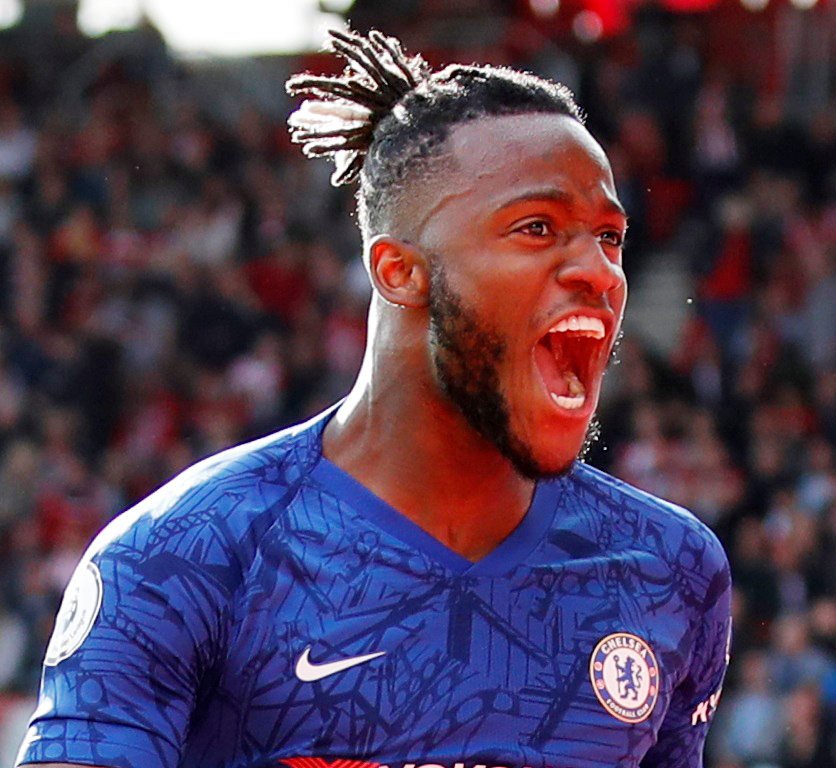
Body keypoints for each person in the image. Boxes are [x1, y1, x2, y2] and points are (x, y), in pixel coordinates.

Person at [16, 28, 731, 768]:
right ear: (399, 272)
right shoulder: (181, 556)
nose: (601, 272)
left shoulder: (671, 568)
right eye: (537, 227)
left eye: (609, 237)